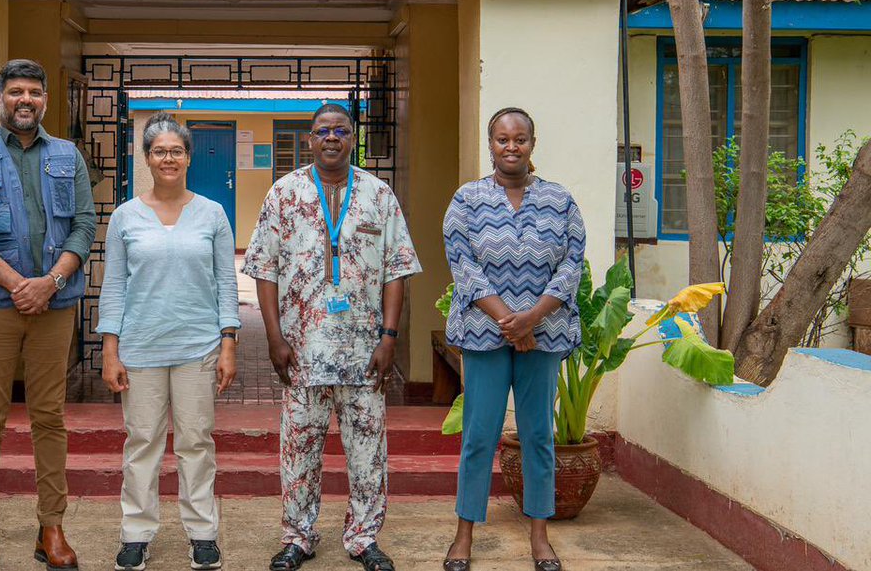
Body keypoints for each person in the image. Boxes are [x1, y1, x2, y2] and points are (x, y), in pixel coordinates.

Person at [243, 103, 422, 571]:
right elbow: (265, 268)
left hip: (365, 354)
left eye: (341, 130)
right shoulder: (284, 193)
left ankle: (364, 538)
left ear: (353, 138)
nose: (331, 138)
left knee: (367, 451)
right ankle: (298, 538)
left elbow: (396, 271)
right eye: (322, 130)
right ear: (309, 139)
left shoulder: (379, 195)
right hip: (302, 352)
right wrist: (274, 337)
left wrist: (389, 337)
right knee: (299, 448)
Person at [0, 59, 97, 571]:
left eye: (33, 91)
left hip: (55, 306)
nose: (24, 100)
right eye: (15, 92)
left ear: (45, 100)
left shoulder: (68, 156)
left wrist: (50, 282)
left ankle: (51, 527)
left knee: (49, 417)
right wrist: (17, 285)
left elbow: (84, 225)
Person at [440, 107, 585, 571]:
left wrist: (533, 319)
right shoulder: (467, 200)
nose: (511, 146)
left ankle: (540, 537)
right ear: (491, 144)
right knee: (479, 436)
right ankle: (464, 535)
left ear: (532, 143)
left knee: (539, 434)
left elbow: (571, 265)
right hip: (484, 335)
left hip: (544, 334)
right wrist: (510, 320)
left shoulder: (560, 201)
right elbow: (463, 266)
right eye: (502, 139)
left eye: (519, 138)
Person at [97, 113, 240, 571]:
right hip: (140, 351)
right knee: (142, 444)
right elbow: (114, 286)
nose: (168, 158)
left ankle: (202, 533)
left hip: (198, 349)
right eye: (159, 151)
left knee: (196, 443)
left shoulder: (212, 214)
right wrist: (110, 350)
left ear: (188, 157)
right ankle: (136, 533)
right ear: (147, 158)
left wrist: (228, 342)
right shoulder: (125, 216)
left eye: (176, 150)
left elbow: (226, 283)